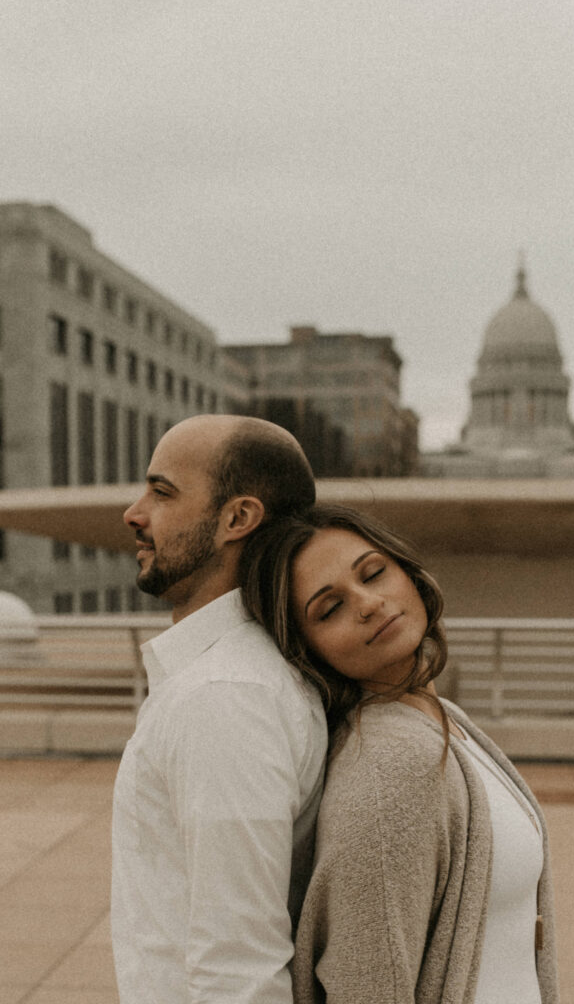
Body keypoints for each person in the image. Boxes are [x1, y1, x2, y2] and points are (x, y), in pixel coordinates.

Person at [239, 504, 560, 1004]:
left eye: (374, 573)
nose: (368, 603)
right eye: (330, 609)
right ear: (308, 650)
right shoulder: (390, 769)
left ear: (408, 573)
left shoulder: (441, 719)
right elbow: (365, 987)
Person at [111, 415, 328, 1004]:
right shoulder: (228, 680)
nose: (135, 513)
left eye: (161, 492)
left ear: (237, 518)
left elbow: (240, 970)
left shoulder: (226, 697)